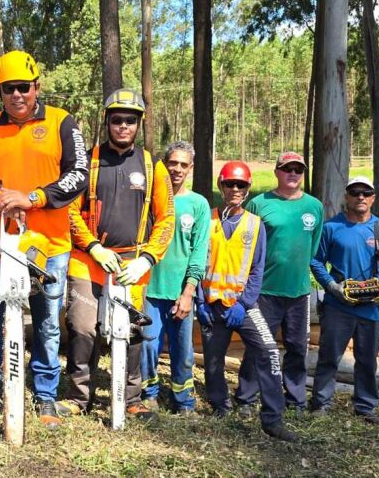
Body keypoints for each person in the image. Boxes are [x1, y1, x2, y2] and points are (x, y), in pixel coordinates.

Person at [0, 50, 89, 437]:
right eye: (8, 88)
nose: (17, 95)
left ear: (37, 87)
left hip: (49, 246)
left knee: (47, 323)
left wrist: (34, 198)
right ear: (0, 91)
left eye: (24, 88)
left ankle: (45, 395)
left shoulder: (62, 122)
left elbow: (79, 172)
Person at [55, 88, 174, 423]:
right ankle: (79, 396)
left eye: (130, 120)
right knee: (82, 326)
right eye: (117, 119)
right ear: (107, 121)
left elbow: (167, 218)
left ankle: (132, 399)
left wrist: (147, 259)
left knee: (133, 329)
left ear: (139, 124)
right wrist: (93, 246)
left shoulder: (153, 167)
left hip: (132, 263)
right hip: (88, 260)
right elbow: (70, 211)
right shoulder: (87, 162)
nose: (123, 126)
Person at [196, 161, 298, 442]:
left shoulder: (255, 225)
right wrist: (199, 301)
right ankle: (220, 406)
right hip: (211, 304)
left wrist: (244, 303)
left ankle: (273, 419)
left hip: (243, 307)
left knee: (269, 352)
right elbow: (196, 262)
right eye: (230, 184)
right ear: (221, 186)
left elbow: (257, 268)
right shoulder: (209, 221)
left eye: (241, 185)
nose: (235, 189)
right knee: (214, 362)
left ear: (249, 188)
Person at [234, 152, 323, 418]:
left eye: (298, 169)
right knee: (258, 346)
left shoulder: (314, 207)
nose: (293, 173)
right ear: (277, 172)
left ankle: (295, 400)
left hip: (298, 292)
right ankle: (246, 399)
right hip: (264, 292)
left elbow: (313, 247)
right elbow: (244, 244)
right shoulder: (260, 204)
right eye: (287, 169)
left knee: (297, 347)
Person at [309, 176, 379, 425]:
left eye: (366, 193)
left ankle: (365, 406)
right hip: (338, 305)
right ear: (346, 197)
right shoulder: (331, 228)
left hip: (372, 307)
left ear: (373, 198)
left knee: (367, 358)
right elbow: (316, 260)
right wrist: (331, 286)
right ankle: (321, 403)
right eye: (355, 192)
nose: (360, 197)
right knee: (329, 355)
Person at [140, 141, 210, 415]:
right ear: (164, 165)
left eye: (183, 164)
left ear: (190, 168)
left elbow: (199, 251)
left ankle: (183, 400)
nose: (177, 169)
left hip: (181, 292)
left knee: (183, 351)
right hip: (149, 289)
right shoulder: (149, 200)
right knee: (148, 344)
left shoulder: (198, 205)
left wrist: (188, 291)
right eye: (173, 163)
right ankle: (149, 395)